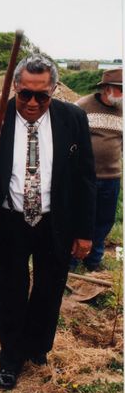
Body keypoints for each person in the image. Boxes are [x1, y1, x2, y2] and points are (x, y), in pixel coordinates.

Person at [0, 54, 96, 390]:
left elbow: (85, 178)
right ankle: (10, 358)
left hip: (55, 222)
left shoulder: (73, 118)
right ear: (15, 87)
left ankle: (37, 350)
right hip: (10, 222)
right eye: (25, 94)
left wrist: (85, 232)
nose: (32, 103)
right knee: (11, 292)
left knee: (49, 291)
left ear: (54, 90)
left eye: (42, 95)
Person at [70, 68, 123, 272]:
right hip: (84, 178)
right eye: (121, 90)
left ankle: (94, 260)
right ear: (107, 89)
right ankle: (71, 261)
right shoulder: (82, 107)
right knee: (78, 218)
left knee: (104, 219)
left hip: (112, 177)